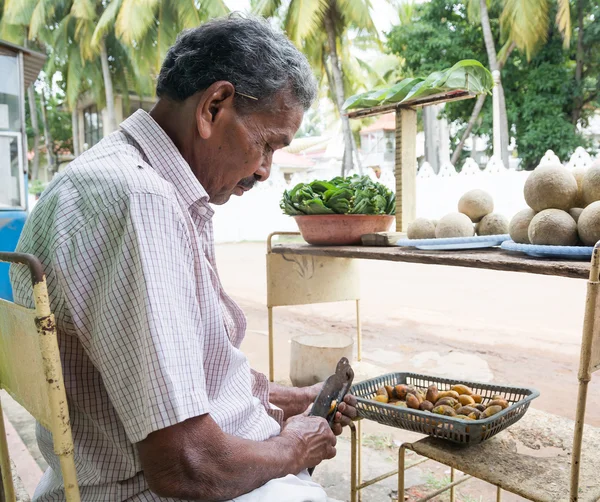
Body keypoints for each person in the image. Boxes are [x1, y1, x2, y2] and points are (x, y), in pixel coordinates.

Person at [11, 15, 357, 502]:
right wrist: (294, 448)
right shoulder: (139, 201)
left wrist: (290, 400)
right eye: (267, 144)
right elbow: (186, 465)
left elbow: (188, 375)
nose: (264, 171)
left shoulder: (118, 176)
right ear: (214, 106)